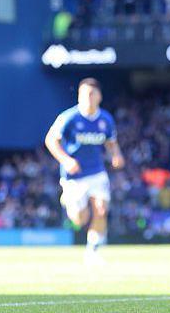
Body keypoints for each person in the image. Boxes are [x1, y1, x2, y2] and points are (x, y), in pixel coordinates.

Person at [44, 78, 124, 264]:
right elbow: (50, 140)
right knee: (80, 219)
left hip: (97, 172)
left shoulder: (105, 119)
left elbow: (111, 142)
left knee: (101, 209)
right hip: (74, 176)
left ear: (99, 96)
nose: (87, 97)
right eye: (83, 94)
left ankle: (93, 250)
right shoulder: (69, 117)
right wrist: (66, 159)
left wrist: (116, 155)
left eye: (90, 94)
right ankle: (68, 202)